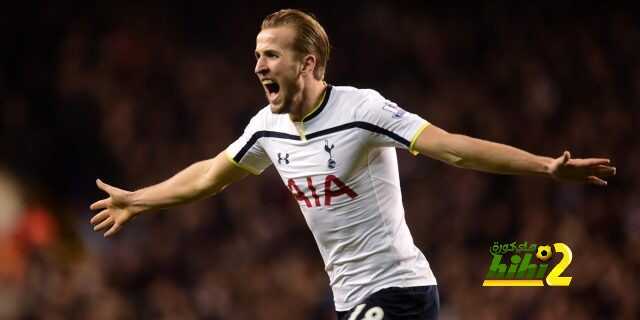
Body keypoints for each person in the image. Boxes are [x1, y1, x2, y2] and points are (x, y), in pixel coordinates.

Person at [89, 9, 616, 320]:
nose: (258, 66)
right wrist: (138, 200)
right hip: (350, 302)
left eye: (271, 54)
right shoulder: (266, 128)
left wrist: (546, 167)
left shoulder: (361, 109)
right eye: (256, 55)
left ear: (307, 63)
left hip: (400, 291)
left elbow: (453, 146)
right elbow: (208, 175)